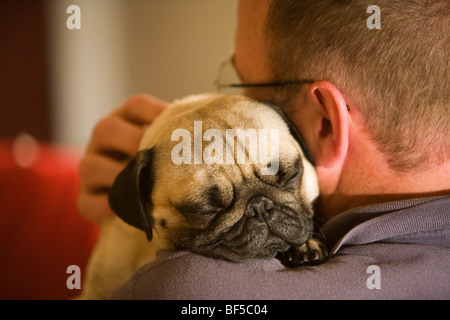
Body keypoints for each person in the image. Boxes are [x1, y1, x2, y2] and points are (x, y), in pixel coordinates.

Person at [78, 0, 449, 299]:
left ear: (325, 123)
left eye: (249, 86)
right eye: (209, 203)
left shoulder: (187, 289)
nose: (238, 102)